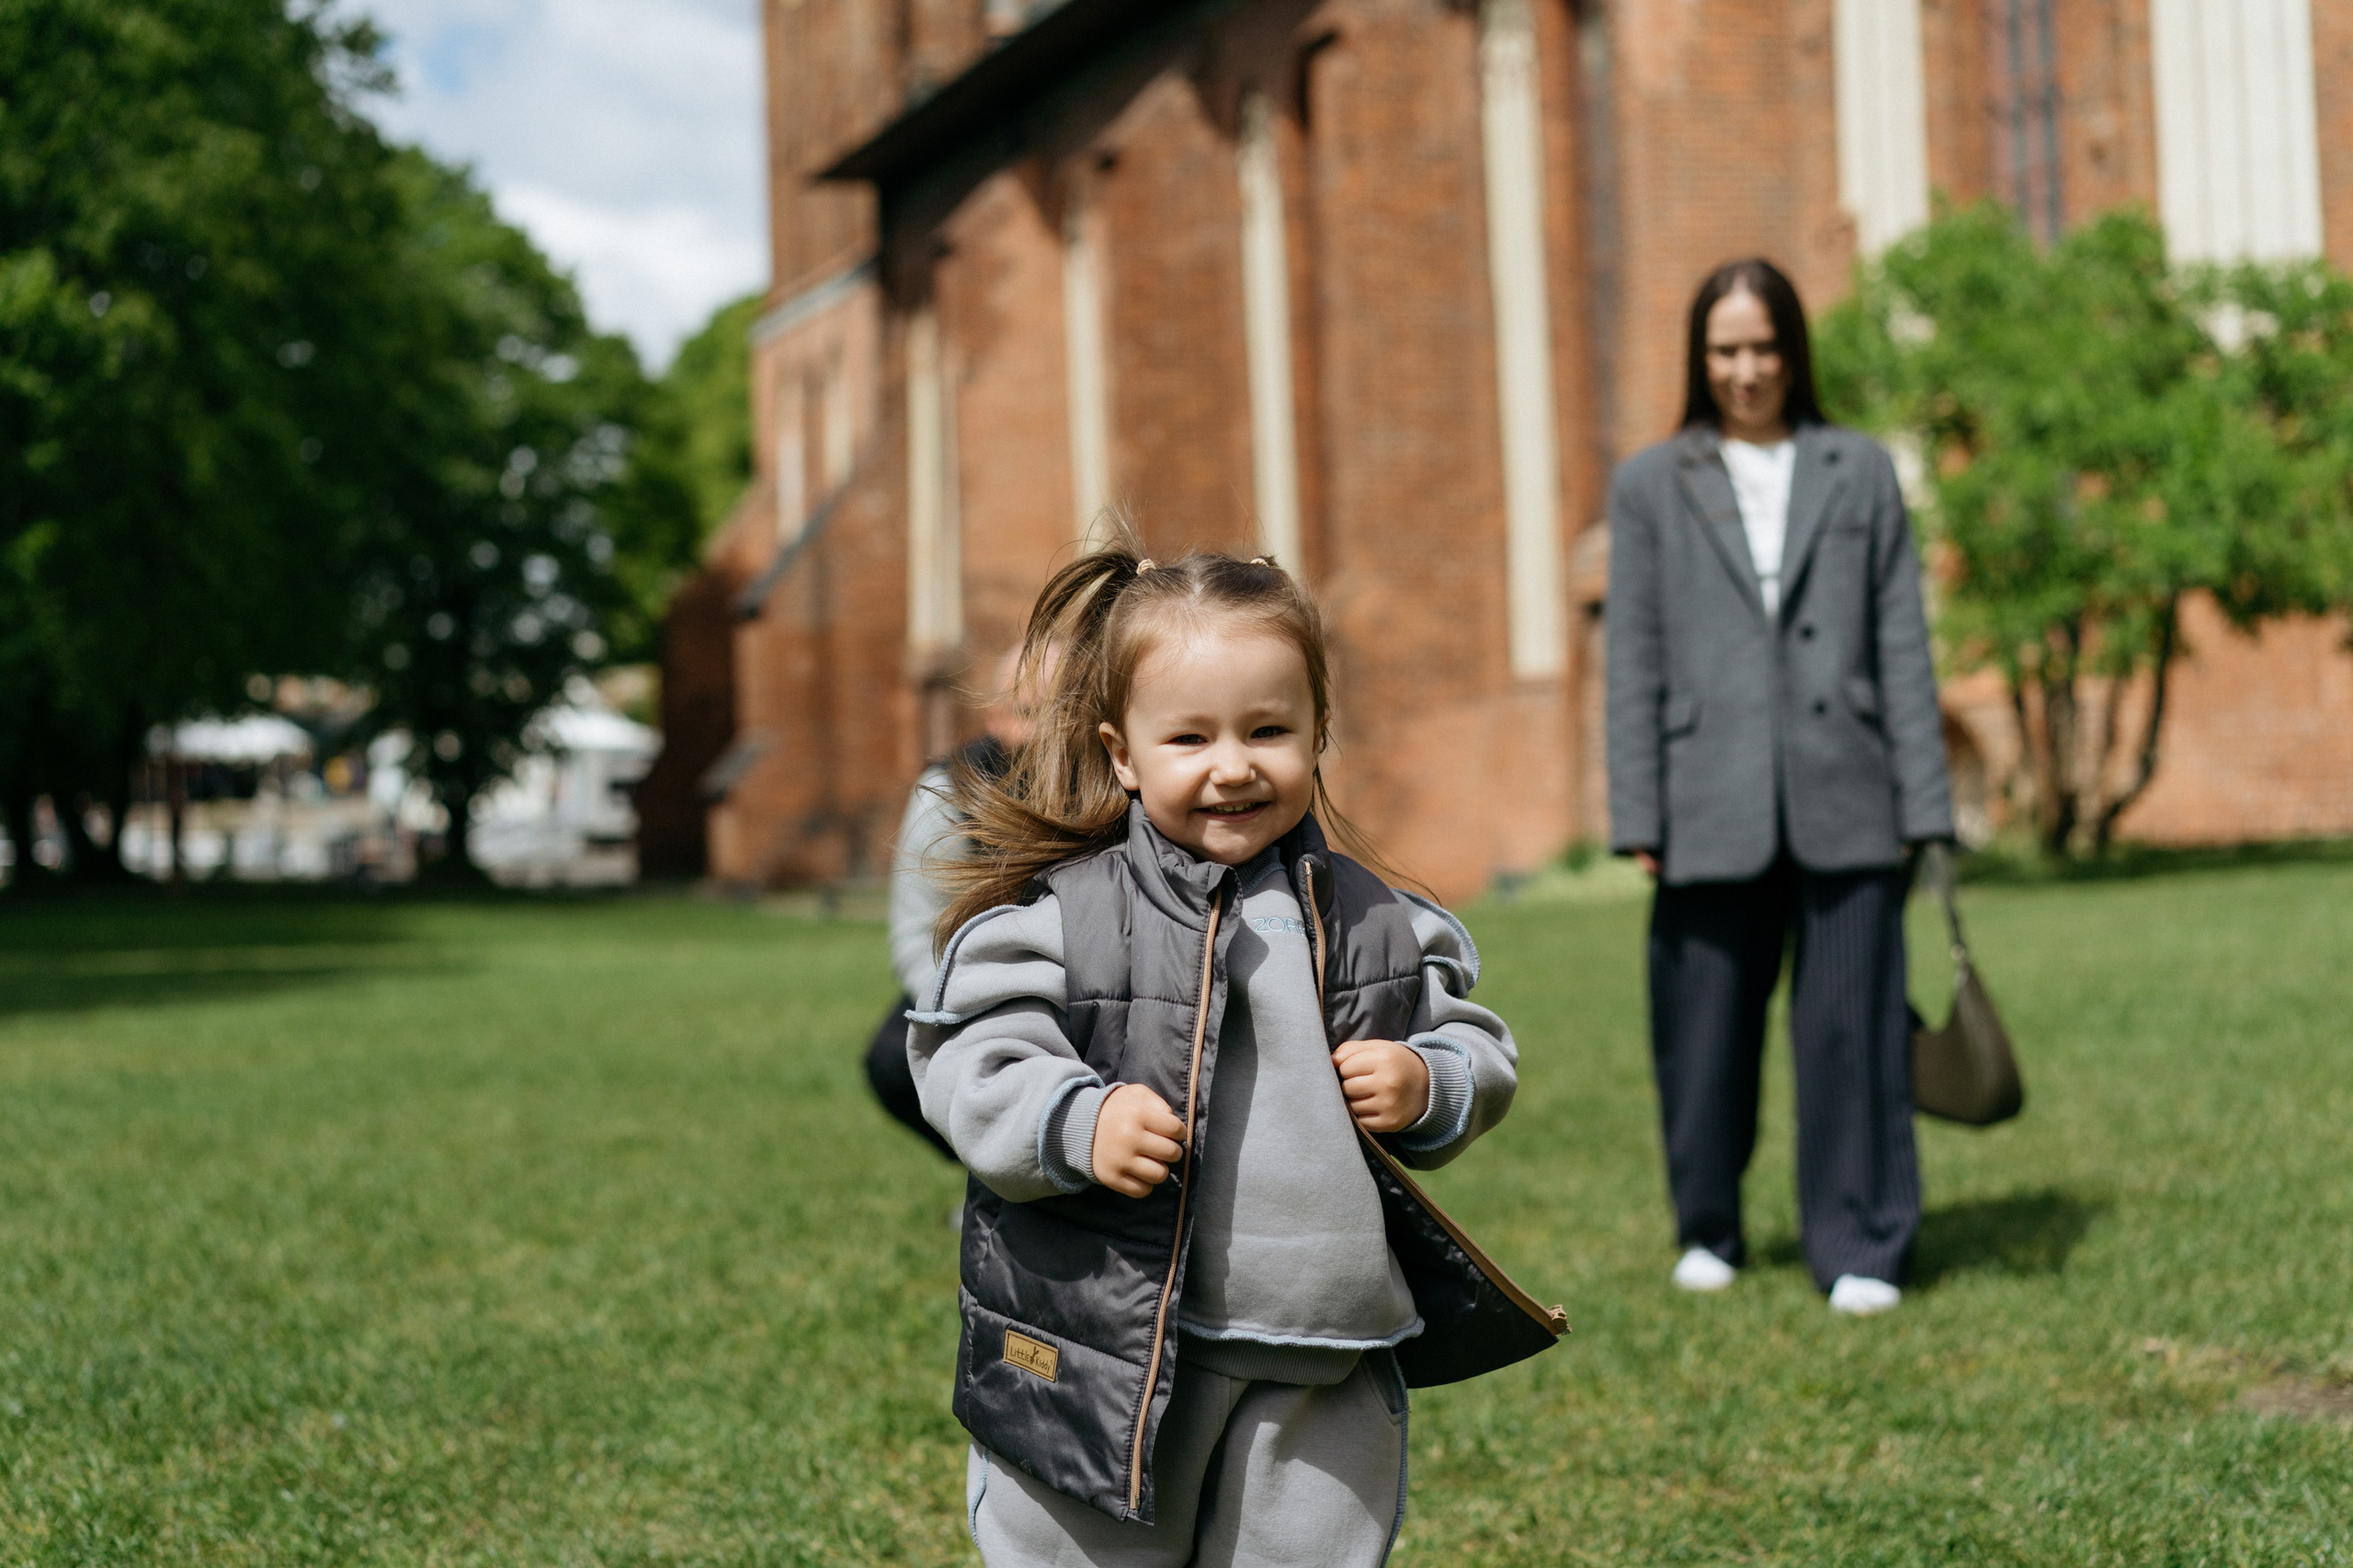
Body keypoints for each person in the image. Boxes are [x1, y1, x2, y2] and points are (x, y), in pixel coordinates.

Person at [906, 544, 1560, 1565]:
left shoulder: (1374, 919)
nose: (1233, 763)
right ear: (1123, 753)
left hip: (1321, 1351)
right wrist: (1075, 1119)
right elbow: (971, 1055)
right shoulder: (1066, 916)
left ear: (1317, 732)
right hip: (1113, 1342)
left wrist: (1432, 1079)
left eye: (1267, 729)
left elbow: (1475, 1041)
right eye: (1190, 736)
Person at [1605, 257, 1953, 1318]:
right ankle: (1707, 1224)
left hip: (1849, 790)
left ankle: (1861, 1240)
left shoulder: (1859, 470)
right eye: (1725, 350)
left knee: (1851, 1027)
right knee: (1703, 1032)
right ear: (1698, 359)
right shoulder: (1651, 483)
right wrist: (1638, 813)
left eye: (1764, 347)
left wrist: (1923, 807)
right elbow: (1636, 655)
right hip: (1705, 797)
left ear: (1793, 350)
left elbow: (1903, 644)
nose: (1746, 369)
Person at [863, 650, 1037, 1162]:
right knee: (894, 1058)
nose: (1046, 734)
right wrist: (969, 1020)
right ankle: (992, 1175)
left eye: (1065, 713)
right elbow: (917, 937)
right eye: (1028, 712)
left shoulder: (1116, 783)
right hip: (977, 985)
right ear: (995, 717)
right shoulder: (949, 792)